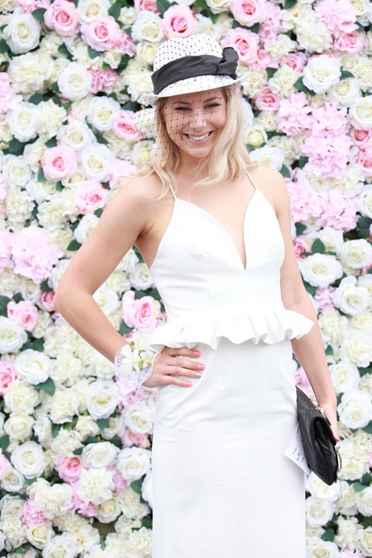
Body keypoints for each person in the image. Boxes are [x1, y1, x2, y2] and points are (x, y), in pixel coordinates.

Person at [53, 34, 339, 558]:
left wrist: (326, 400)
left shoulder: (268, 184)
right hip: (198, 413)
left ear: (231, 104)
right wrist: (132, 358)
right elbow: (71, 291)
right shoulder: (145, 195)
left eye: (211, 104)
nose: (198, 121)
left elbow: (294, 300)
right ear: (162, 115)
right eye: (181, 108)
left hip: (272, 412)